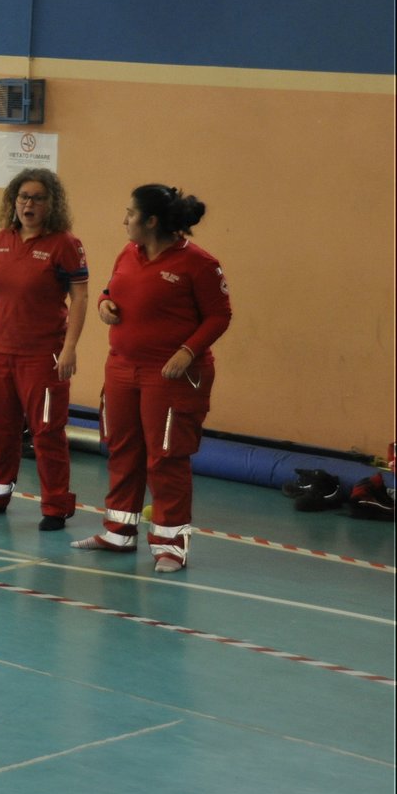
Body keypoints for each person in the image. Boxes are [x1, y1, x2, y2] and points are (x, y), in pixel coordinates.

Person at [72, 184, 231, 572]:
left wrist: (186, 352)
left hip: (170, 375)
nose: (124, 220)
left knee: (166, 457)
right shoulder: (129, 252)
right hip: (123, 368)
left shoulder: (198, 264)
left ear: (152, 220)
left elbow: (219, 316)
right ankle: (118, 532)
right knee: (123, 449)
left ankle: (171, 545)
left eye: (130, 213)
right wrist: (104, 304)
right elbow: (111, 290)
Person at [0, 169, 89, 530]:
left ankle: (55, 506)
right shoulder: (0, 240)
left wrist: (70, 347)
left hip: (42, 355)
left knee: (47, 431)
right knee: (1, 427)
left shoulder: (64, 244)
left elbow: (80, 298)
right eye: (22, 197)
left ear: (52, 204)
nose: (28, 204)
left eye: (37, 198)